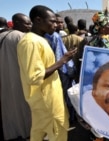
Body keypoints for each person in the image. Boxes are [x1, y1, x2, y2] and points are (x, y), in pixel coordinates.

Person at [17, 5, 77, 141]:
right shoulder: (31, 42)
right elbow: (35, 76)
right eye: (52, 21)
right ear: (38, 20)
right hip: (47, 102)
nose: (56, 25)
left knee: (38, 133)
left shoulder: (38, 40)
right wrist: (62, 61)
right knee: (58, 133)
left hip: (44, 100)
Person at [0, 13, 32, 141]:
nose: (30, 26)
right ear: (17, 23)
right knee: (23, 111)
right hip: (20, 80)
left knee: (9, 110)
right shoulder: (22, 37)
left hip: (4, 80)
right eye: (27, 23)